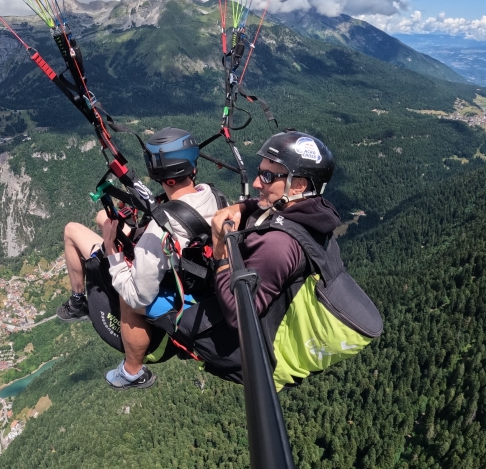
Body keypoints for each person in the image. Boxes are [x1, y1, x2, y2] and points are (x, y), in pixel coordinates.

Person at [57, 128, 222, 389]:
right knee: (103, 219)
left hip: (170, 301)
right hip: (192, 275)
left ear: (159, 175)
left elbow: (137, 296)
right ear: (193, 166)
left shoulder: (158, 231)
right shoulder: (212, 196)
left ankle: (131, 369)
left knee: (71, 231)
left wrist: (112, 250)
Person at [209, 130, 340, 331]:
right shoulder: (312, 211)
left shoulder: (277, 245)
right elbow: (264, 204)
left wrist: (221, 254)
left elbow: (238, 315)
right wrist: (240, 208)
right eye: (259, 172)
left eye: (268, 176)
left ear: (298, 185)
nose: (256, 183)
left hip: (253, 347)